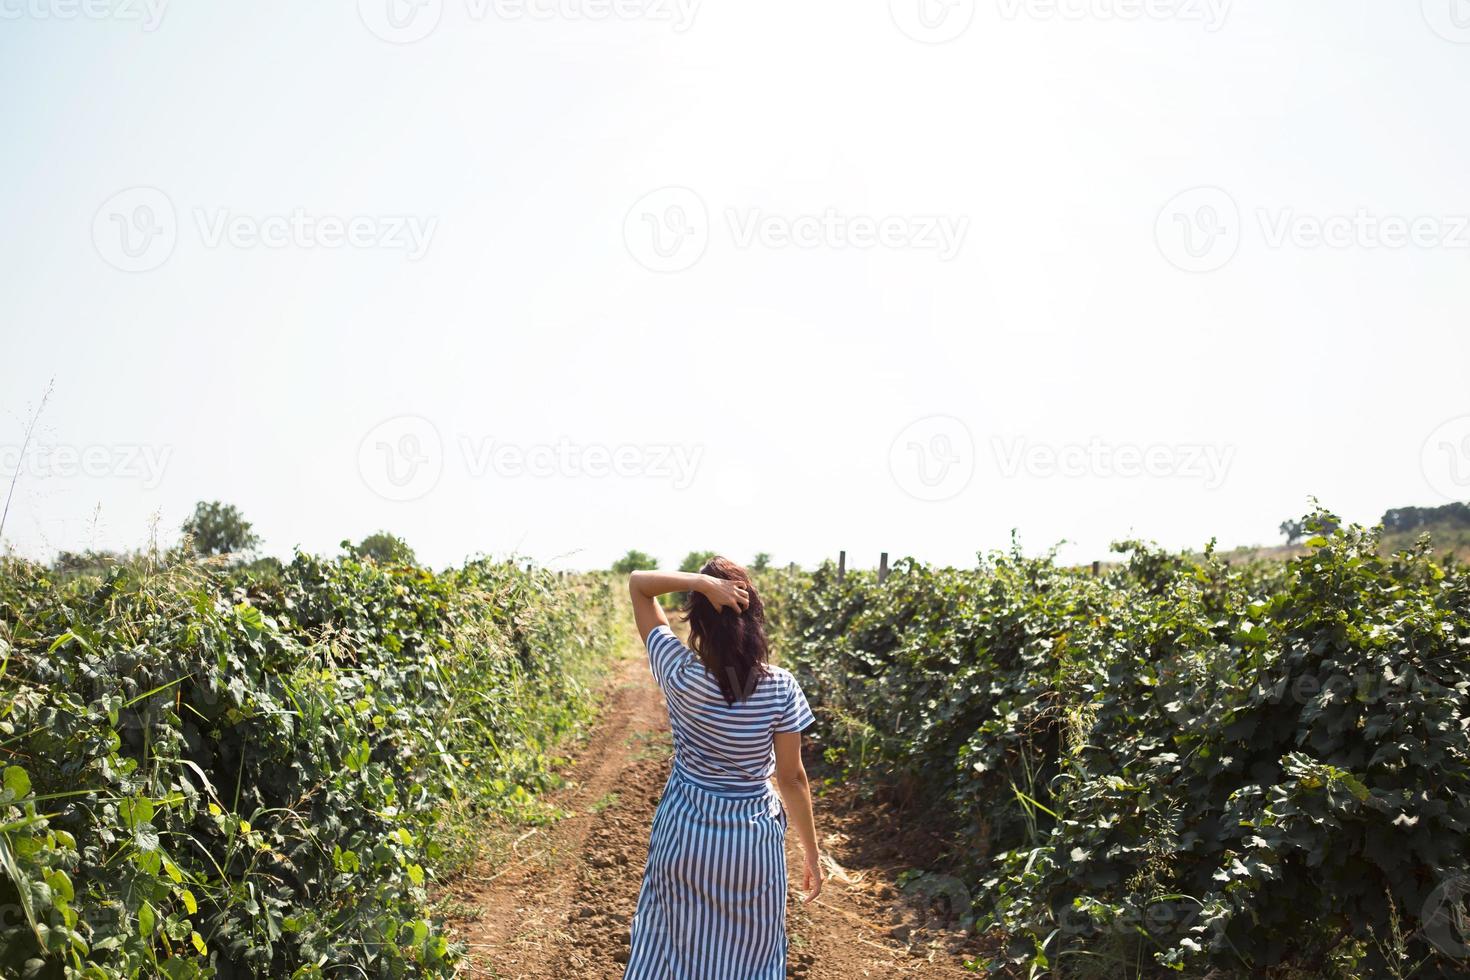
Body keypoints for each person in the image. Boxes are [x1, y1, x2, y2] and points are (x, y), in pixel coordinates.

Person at [622, 557, 821, 980]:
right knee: (752, 958)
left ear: (697, 620)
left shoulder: (679, 672)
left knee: (669, 948)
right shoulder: (781, 687)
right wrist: (812, 854)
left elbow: (639, 584)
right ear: (754, 617)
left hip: (685, 835)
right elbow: (791, 779)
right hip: (752, 845)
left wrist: (702, 583)